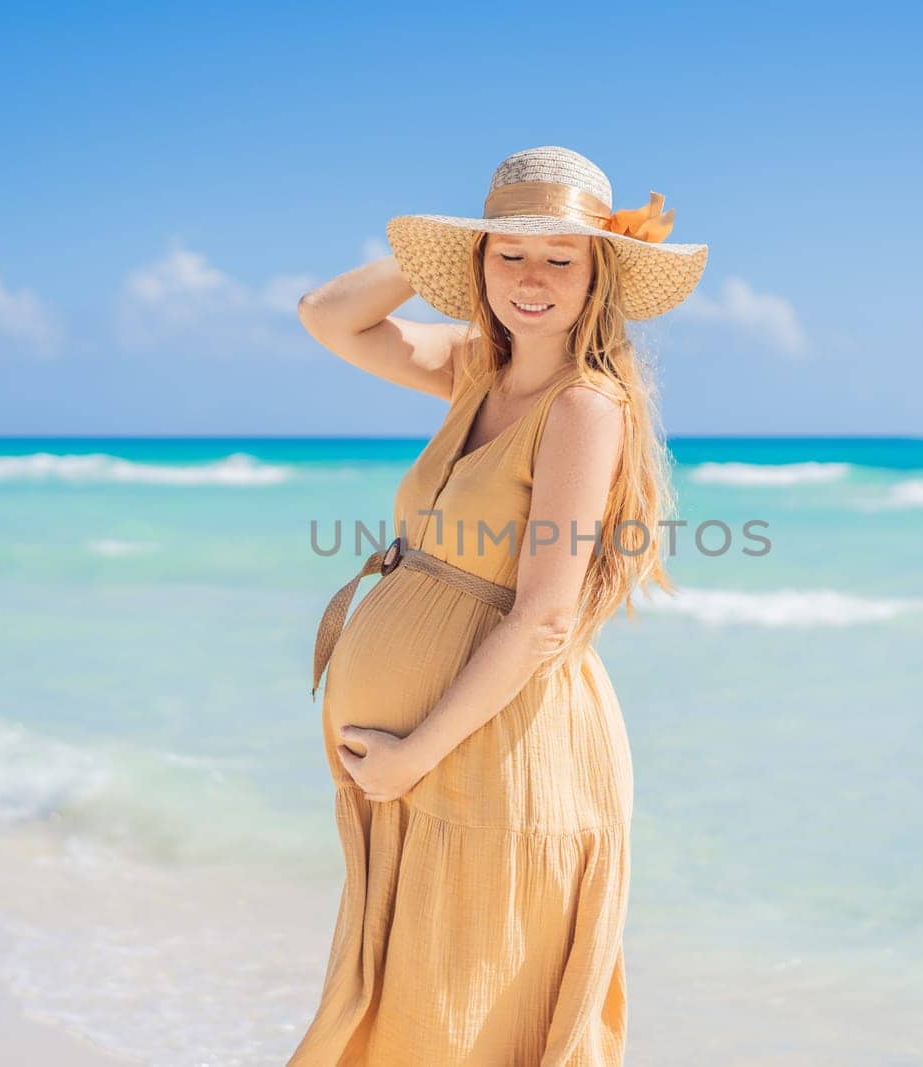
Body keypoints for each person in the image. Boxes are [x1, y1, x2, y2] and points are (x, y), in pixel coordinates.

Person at [289, 145, 708, 1066]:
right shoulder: (477, 368)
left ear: (598, 276)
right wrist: (447, 244)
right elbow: (328, 318)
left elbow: (545, 617)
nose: (533, 277)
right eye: (509, 252)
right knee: (413, 1018)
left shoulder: (584, 408)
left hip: (495, 759)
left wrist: (411, 756)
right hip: (427, 773)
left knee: (465, 1022)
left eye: (562, 256)